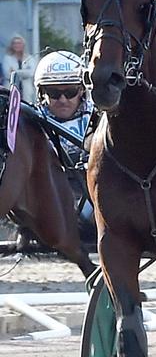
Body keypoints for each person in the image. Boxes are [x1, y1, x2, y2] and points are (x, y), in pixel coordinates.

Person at [33, 50, 95, 238]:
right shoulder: (31, 121)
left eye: (70, 92)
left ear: (82, 90)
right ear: (42, 93)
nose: (62, 100)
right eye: (53, 93)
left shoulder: (99, 119)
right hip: (51, 195)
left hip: (92, 193)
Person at [2, 34, 36, 100]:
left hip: (26, 89)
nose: (17, 45)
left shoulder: (29, 58)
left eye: (19, 43)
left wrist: (15, 71)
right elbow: (7, 74)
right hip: (11, 87)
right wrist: (24, 71)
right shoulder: (7, 58)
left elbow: (31, 73)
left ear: (23, 45)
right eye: (15, 43)